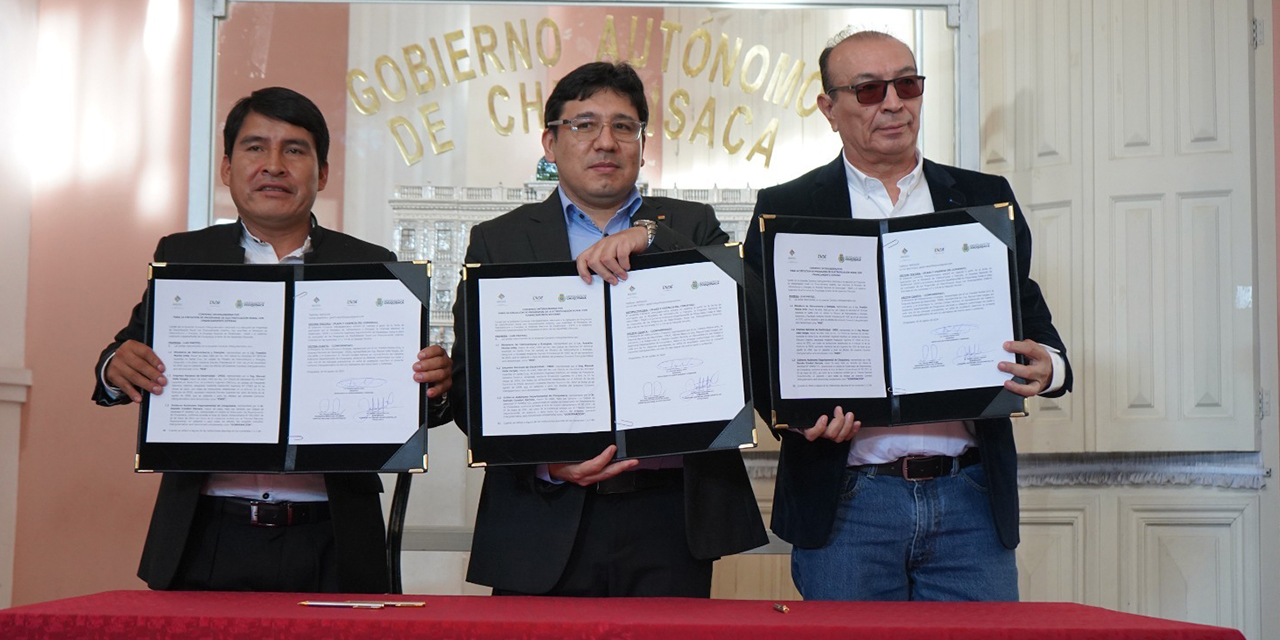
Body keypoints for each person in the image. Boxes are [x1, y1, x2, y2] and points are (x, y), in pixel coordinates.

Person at [745, 31, 1073, 601]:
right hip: (846, 501)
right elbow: (757, 342)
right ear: (829, 108)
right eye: (869, 90)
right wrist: (792, 417)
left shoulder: (982, 197)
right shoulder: (786, 208)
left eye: (908, 83)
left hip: (970, 494)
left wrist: (1051, 366)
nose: (894, 102)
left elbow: (1027, 306)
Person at [92, 87, 454, 593]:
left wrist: (436, 383)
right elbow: (125, 353)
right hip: (206, 533)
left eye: (295, 150)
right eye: (255, 147)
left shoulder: (370, 264)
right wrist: (115, 367)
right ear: (227, 167)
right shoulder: (185, 255)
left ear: (322, 173)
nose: (274, 165)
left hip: (333, 536)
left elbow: (420, 404)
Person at [450, 61, 767, 597]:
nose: (606, 142)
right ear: (550, 143)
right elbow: (468, 389)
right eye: (584, 125)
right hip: (544, 511)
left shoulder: (689, 225)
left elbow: (755, 323)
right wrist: (548, 462)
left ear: (643, 144)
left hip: (669, 513)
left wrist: (650, 235)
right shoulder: (498, 241)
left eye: (624, 127)